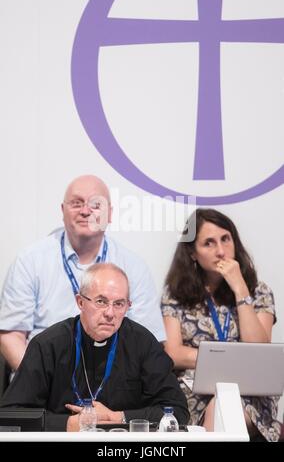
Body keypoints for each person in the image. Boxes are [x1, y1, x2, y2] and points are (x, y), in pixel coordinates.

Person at [0, 175, 165, 372]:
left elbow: (149, 340)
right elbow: (11, 336)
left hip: (112, 381)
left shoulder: (134, 267)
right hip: (43, 375)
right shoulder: (30, 261)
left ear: (110, 214)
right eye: (76, 203)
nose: (85, 211)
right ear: (63, 211)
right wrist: (38, 379)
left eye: (96, 204)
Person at [0, 264, 189, 431]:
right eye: (101, 301)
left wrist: (116, 417)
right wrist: (66, 425)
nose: (110, 313)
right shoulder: (48, 345)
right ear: (80, 302)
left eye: (119, 304)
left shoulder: (143, 343)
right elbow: (11, 414)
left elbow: (177, 410)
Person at [161, 208, 281, 442]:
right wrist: (226, 360)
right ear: (193, 253)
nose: (221, 251)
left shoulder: (259, 291)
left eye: (226, 239)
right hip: (195, 389)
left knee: (225, 406)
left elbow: (259, 349)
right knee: (218, 407)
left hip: (248, 390)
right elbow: (173, 353)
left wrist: (240, 289)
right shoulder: (175, 294)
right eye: (209, 243)